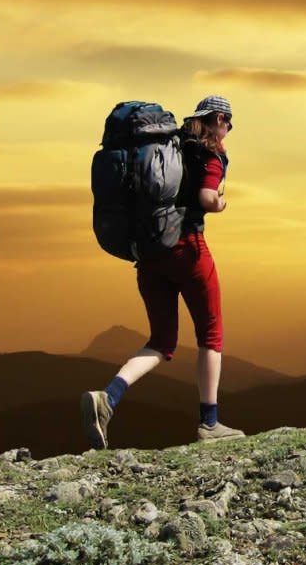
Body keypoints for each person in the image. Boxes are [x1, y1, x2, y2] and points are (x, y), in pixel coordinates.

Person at [81, 94, 244, 448]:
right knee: (211, 335)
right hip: (188, 250)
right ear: (217, 118)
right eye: (229, 122)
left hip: (150, 252)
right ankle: (210, 423)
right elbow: (204, 197)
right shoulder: (210, 151)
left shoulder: (170, 145)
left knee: (161, 341)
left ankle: (108, 398)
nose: (229, 129)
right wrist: (219, 203)